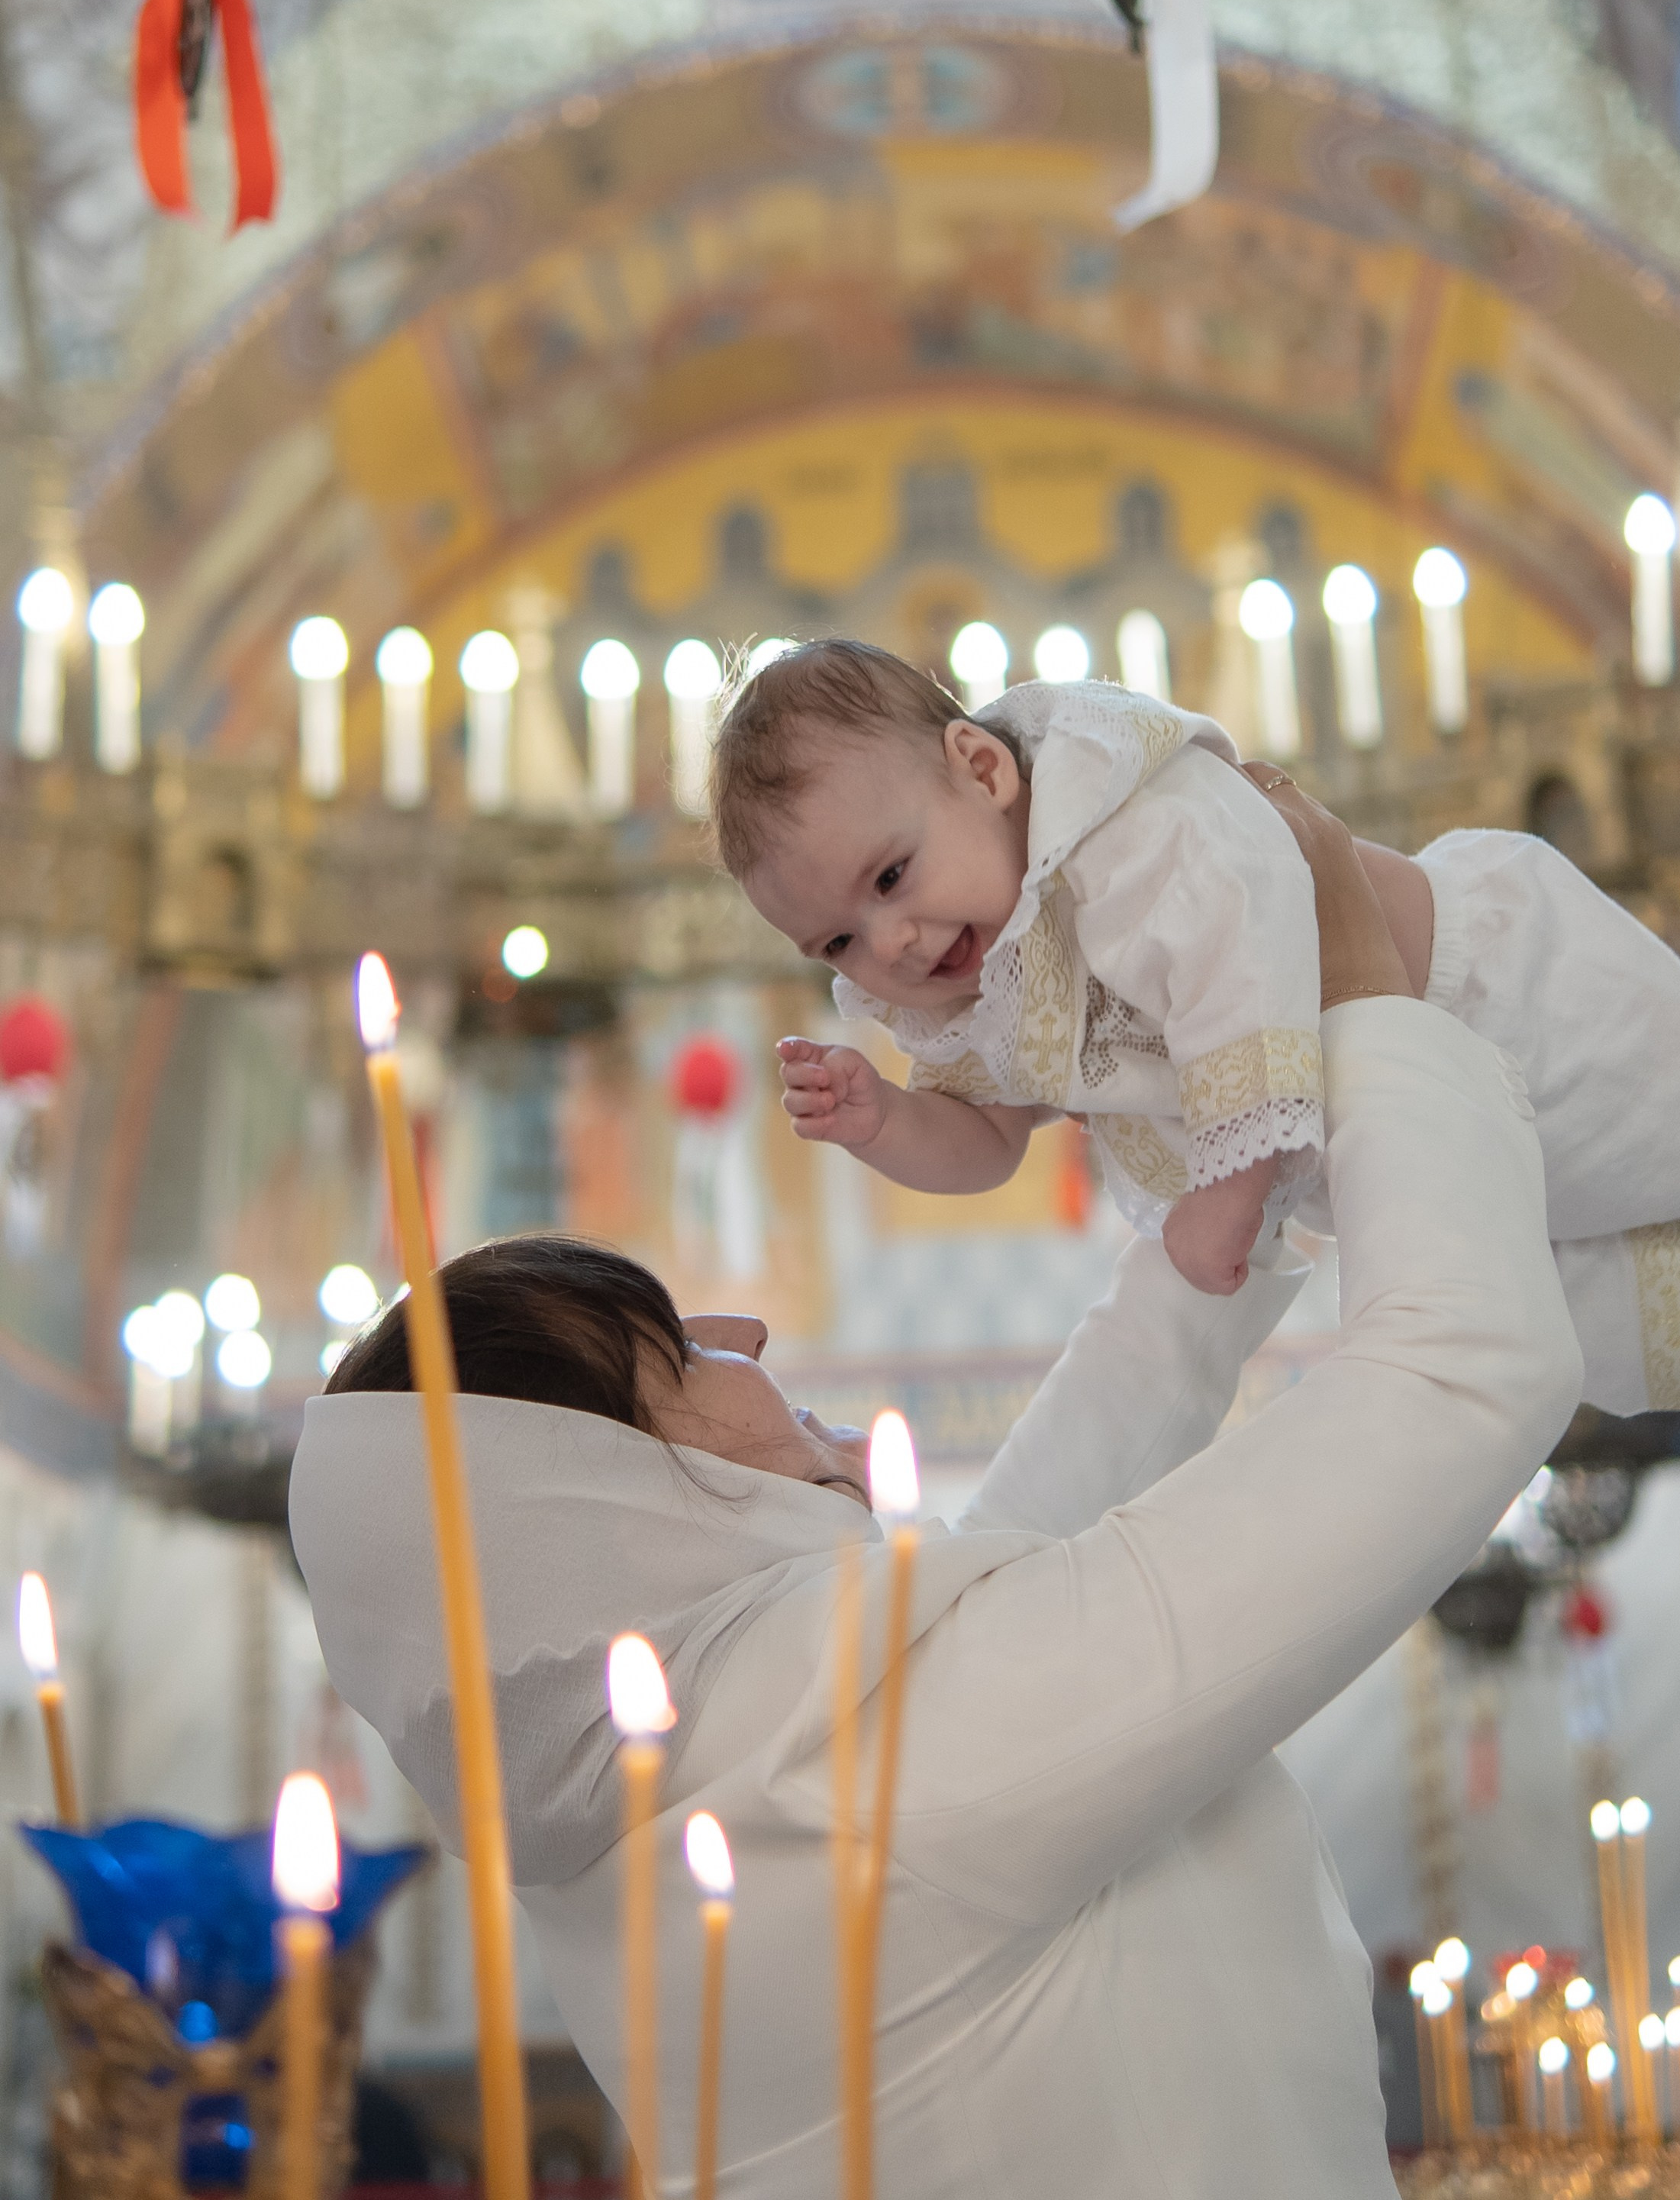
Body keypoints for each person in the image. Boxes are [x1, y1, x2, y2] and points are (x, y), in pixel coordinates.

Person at [292, 778, 1594, 2200]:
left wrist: (1223, 1174)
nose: (745, 1335)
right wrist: (1358, 994)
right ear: (599, 1493)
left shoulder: (680, 1812)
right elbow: (1467, 1368)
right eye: (668, 1347)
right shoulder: (885, 1774)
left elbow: (1034, 1540)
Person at [710, 637, 1680, 1402]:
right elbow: (983, 1140)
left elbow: (1238, 957)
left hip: (1498, 994)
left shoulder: (1118, 818)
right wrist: (884, 1121)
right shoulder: (972, 988)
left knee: (1666, 1123)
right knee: (1594, 1305)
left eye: (889, 876)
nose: (892, 943)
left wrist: (1227, 1185)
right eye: (838, 942)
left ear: (979, 768)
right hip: (1418, 1131)